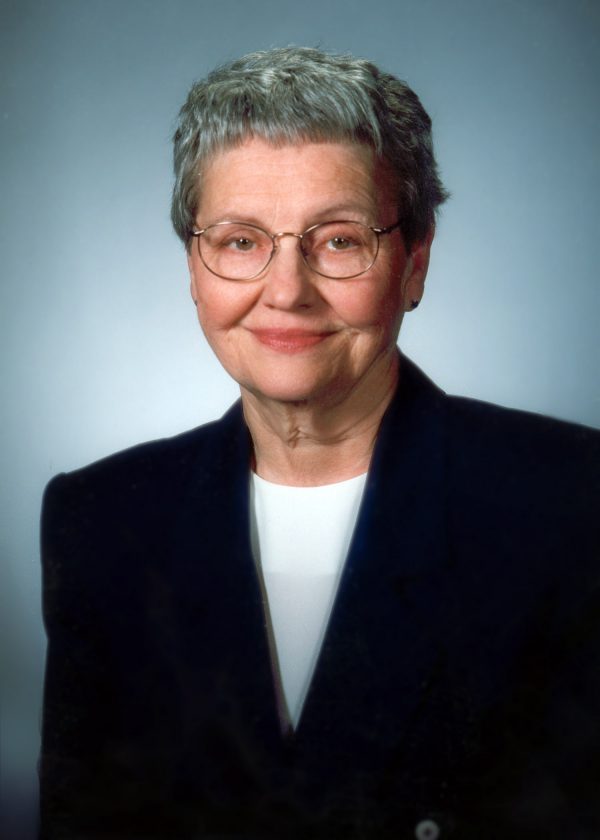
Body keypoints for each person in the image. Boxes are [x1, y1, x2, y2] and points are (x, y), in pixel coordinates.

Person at [39, 47, 599, 840]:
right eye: (240, 241)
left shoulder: (571, 504)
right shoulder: (99, 522)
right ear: (194, 267)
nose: (287, 291)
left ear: (414, 261)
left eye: (338, 241)